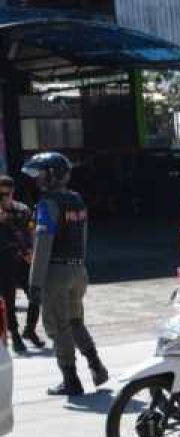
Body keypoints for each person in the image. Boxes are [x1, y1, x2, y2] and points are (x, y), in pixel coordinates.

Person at [22, 152, 107, 396]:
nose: (37, 179)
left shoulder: (47, 203)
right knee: (75, 321)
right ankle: (96, 366)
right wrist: (78, 266)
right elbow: (83, 237)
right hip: (78, 269)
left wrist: (34, 284)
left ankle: (71, 380)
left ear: (51, 175)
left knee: (59, 327)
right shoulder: (77, 199)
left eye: (40, 174)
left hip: (55, 273)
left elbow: (43, 244)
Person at [0, 175, 35, 354]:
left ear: (12, 192)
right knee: (9, 301)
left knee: (36, 296)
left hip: (23, 260)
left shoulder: (22, 209)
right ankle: (14, 335)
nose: (4, 197)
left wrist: (31, 250)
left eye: (7, 193)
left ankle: (30, 329)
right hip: (4, 262)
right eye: (0, 194)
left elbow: (30, 232)